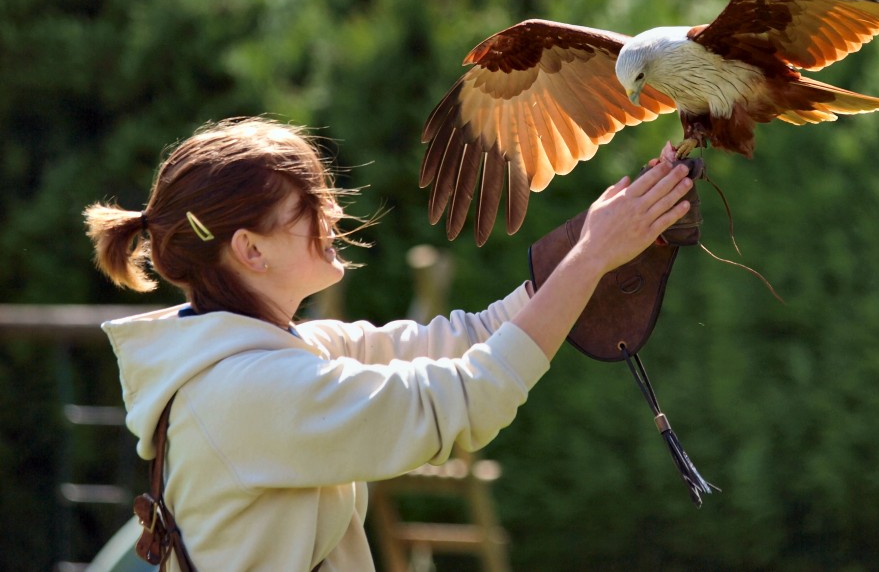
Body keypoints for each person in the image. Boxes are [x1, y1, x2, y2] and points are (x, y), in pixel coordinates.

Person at [85, 116, 692, 571]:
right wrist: (589, 260)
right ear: (250, 250)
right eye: (308, 204)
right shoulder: (248, 390)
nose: (331, 213)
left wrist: (595, 239)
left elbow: (462, 343)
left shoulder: (278, 352)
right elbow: (461, 401)